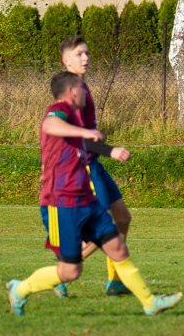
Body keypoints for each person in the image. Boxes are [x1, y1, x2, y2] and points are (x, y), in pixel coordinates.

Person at [6, 71, 182, 316]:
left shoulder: (79, 115)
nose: (86, 91)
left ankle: (150, 303)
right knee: (70, 271)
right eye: (82, 88)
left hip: (85, 199)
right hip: (62, 203)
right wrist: (85, 134)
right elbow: (49, 124)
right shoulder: (59, 111)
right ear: (71, 92)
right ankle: (20, 289)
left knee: (118, 248)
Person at [52, 35, 134, 298]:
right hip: (84, 167)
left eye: (87, 53)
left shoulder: (81, 87)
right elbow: (79, 138)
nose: (85, 58)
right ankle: (61, 276)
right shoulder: (72, 92)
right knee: (104, 229)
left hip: (94, 165)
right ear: (66, 60)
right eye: (79, 54)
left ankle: (115, 281)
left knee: (122, 218)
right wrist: (112, 150)